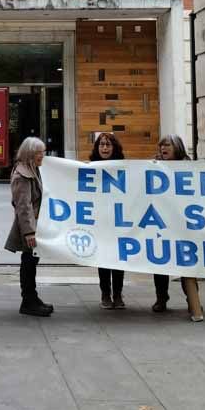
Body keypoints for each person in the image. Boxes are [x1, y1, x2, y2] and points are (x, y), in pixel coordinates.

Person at [152, 135, 204, 322]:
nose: (163, 148)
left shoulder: (189, 167)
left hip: (184, 223)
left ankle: (193, 300)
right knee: (160, 261)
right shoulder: (155, 166)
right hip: (162, 221)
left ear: (177, 147)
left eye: (167, 145)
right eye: (161, 145)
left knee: (187, 265)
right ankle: (161, 298)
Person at [6, 137, 54, 317]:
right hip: (29, 227)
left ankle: (32, 298)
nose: (43, 155)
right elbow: (23, 206)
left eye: (43, 151)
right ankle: (28, 300)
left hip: (35, 224)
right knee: (28, 263)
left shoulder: (33, 171)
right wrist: (29, 232)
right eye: (39, 152)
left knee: (31, 262)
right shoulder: (22, 175)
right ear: (29, 154)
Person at [90, 133, 126, 310]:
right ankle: (105, 293)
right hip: (100, 222)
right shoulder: (90, 169)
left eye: (108, 145)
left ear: (114, 148)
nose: (104, 148)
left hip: (118, 221)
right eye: (102, 145)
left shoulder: (124, 168)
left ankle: (118, 294)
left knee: (118, 260)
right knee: (103, 259)